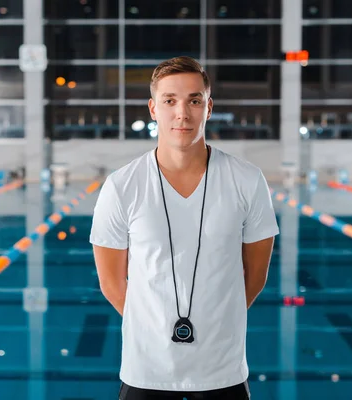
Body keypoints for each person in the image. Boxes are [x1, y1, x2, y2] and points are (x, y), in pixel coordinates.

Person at [89, 56, 279, 400]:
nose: (183, 113)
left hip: (222, 371)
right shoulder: (122, 186)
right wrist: (154, 328)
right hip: (146, 370)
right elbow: (110, 282)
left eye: (194, 100)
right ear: (153, 108)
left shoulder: (247, 181)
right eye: (170, 101)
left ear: (208, 107)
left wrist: (217, 321)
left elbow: (255, 276)